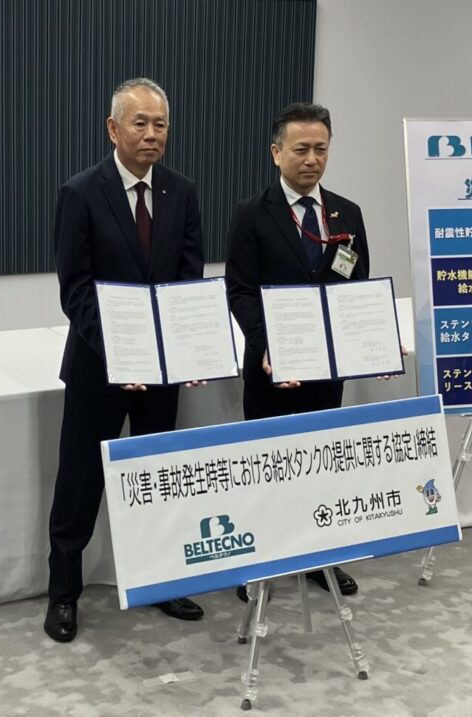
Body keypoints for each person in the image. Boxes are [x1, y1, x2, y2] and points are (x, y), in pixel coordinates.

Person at [45, 78, 206, 642]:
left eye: (161, 124)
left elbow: (188, 280)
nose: (152, 134)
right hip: (98, 367)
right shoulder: (80, 193)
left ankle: (161, 582)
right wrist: (122, 354)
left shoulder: (182, 192)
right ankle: (63, 595)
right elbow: (76, 289)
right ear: (114, 129)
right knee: (80, 482)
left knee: (156, 477)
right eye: (140, 123)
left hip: (161, 371)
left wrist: (185, 347)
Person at [225, 102, 369, 597]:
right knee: (266, 465)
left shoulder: (347, 213)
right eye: (301, 149)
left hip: (326, 369)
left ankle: (318, 557)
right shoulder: (251, 215)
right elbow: (240, 291)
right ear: (276, 152)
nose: (312, 159)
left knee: (319, 462)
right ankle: (256, 564)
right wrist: (266, 345)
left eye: (321, 149)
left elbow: (356, 287)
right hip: (271, 368)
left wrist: (368, 340)